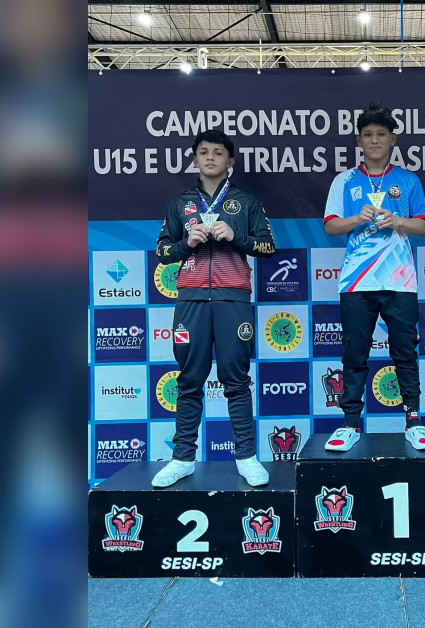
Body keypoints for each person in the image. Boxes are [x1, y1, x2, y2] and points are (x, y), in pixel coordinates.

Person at [151, 130, 277, 488]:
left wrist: (236, 237)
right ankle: (182, 458)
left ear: (230, 161)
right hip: (190, 300)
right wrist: (185, 244)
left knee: (236, 380)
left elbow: (268, 247)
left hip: (232, 298)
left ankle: (247, 457)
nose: (210, 157)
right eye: (203, 152)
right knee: (189, 380)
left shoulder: (246, 201)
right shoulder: (180, 203)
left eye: (218, 152)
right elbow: (162, 251)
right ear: (194, 159)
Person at [321, 103, 425, 452]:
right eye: (368, 134)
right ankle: (349, 424)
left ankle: (414, 421)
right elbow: (330, 227)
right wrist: (357, 219)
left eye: (381, 134)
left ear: (392, 139)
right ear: (358, 140)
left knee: (405, 353)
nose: (374, 140)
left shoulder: (408, 180)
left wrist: (397, 221)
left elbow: (424, 226)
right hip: (356, 281)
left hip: (400, 280)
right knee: (355, 354)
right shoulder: (343, 181)